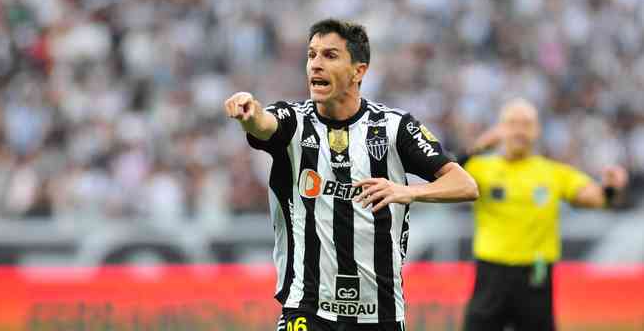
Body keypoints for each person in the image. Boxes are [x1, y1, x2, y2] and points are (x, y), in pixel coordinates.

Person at [224, 18, 478, 331]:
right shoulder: (293, 122)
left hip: (380, 311)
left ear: (359, 71)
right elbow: (264, 123)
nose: (315, 65)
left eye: (329, 56)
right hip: (308, 307)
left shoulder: (393, 127)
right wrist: (249, 114)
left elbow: (464, 184)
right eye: (311, 55)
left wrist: (408, 191)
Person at [459, 98, 628, 331]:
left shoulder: (553, 173)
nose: (519, 130)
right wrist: (478, 146)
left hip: (535, 275)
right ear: (500, 129)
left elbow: (597, 198)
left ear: (537, 130)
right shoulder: (479, 167)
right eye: (512, 123)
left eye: (526, 124)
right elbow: (443, 172)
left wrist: (611, 187)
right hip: (491, 273)